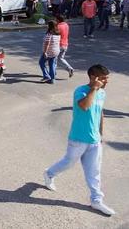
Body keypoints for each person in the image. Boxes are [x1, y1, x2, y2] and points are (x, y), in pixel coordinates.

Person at [43, 64, 115, 216]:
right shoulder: (81, 91)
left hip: (94, 140)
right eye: (103, 79)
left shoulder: (102, 93)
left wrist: (100, 134)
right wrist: (94, 88)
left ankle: (96, 200)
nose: (106, 82)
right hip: (78, 138)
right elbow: (84, 106)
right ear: (93, 78)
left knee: (94, 172)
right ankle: (49, 173)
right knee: (68, 163)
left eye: (107, 78)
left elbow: (100, 113)